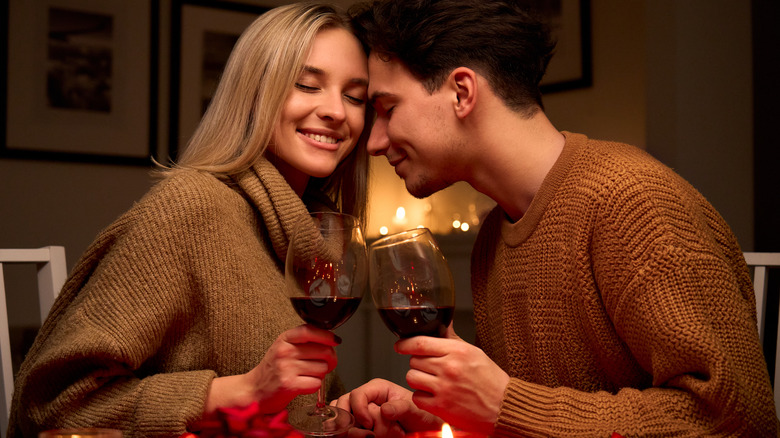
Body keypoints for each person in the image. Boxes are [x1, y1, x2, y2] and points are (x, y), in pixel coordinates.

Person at [335, 0, 779, 436]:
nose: (373, 141)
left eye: (388, 109)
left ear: (462, 92)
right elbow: (532, 417)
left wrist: (505, 406)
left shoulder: (632, 202)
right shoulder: (494, 235)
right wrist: (445, 417)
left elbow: (738, 419)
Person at [9, 3, 371, 437]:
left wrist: (341, 412)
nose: (337, 110)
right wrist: (241, 390)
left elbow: (282, 412)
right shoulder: (191, 209)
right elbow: (50, 405)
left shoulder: (316, 229)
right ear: (254, 93)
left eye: (355, 96)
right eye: (306, 85)